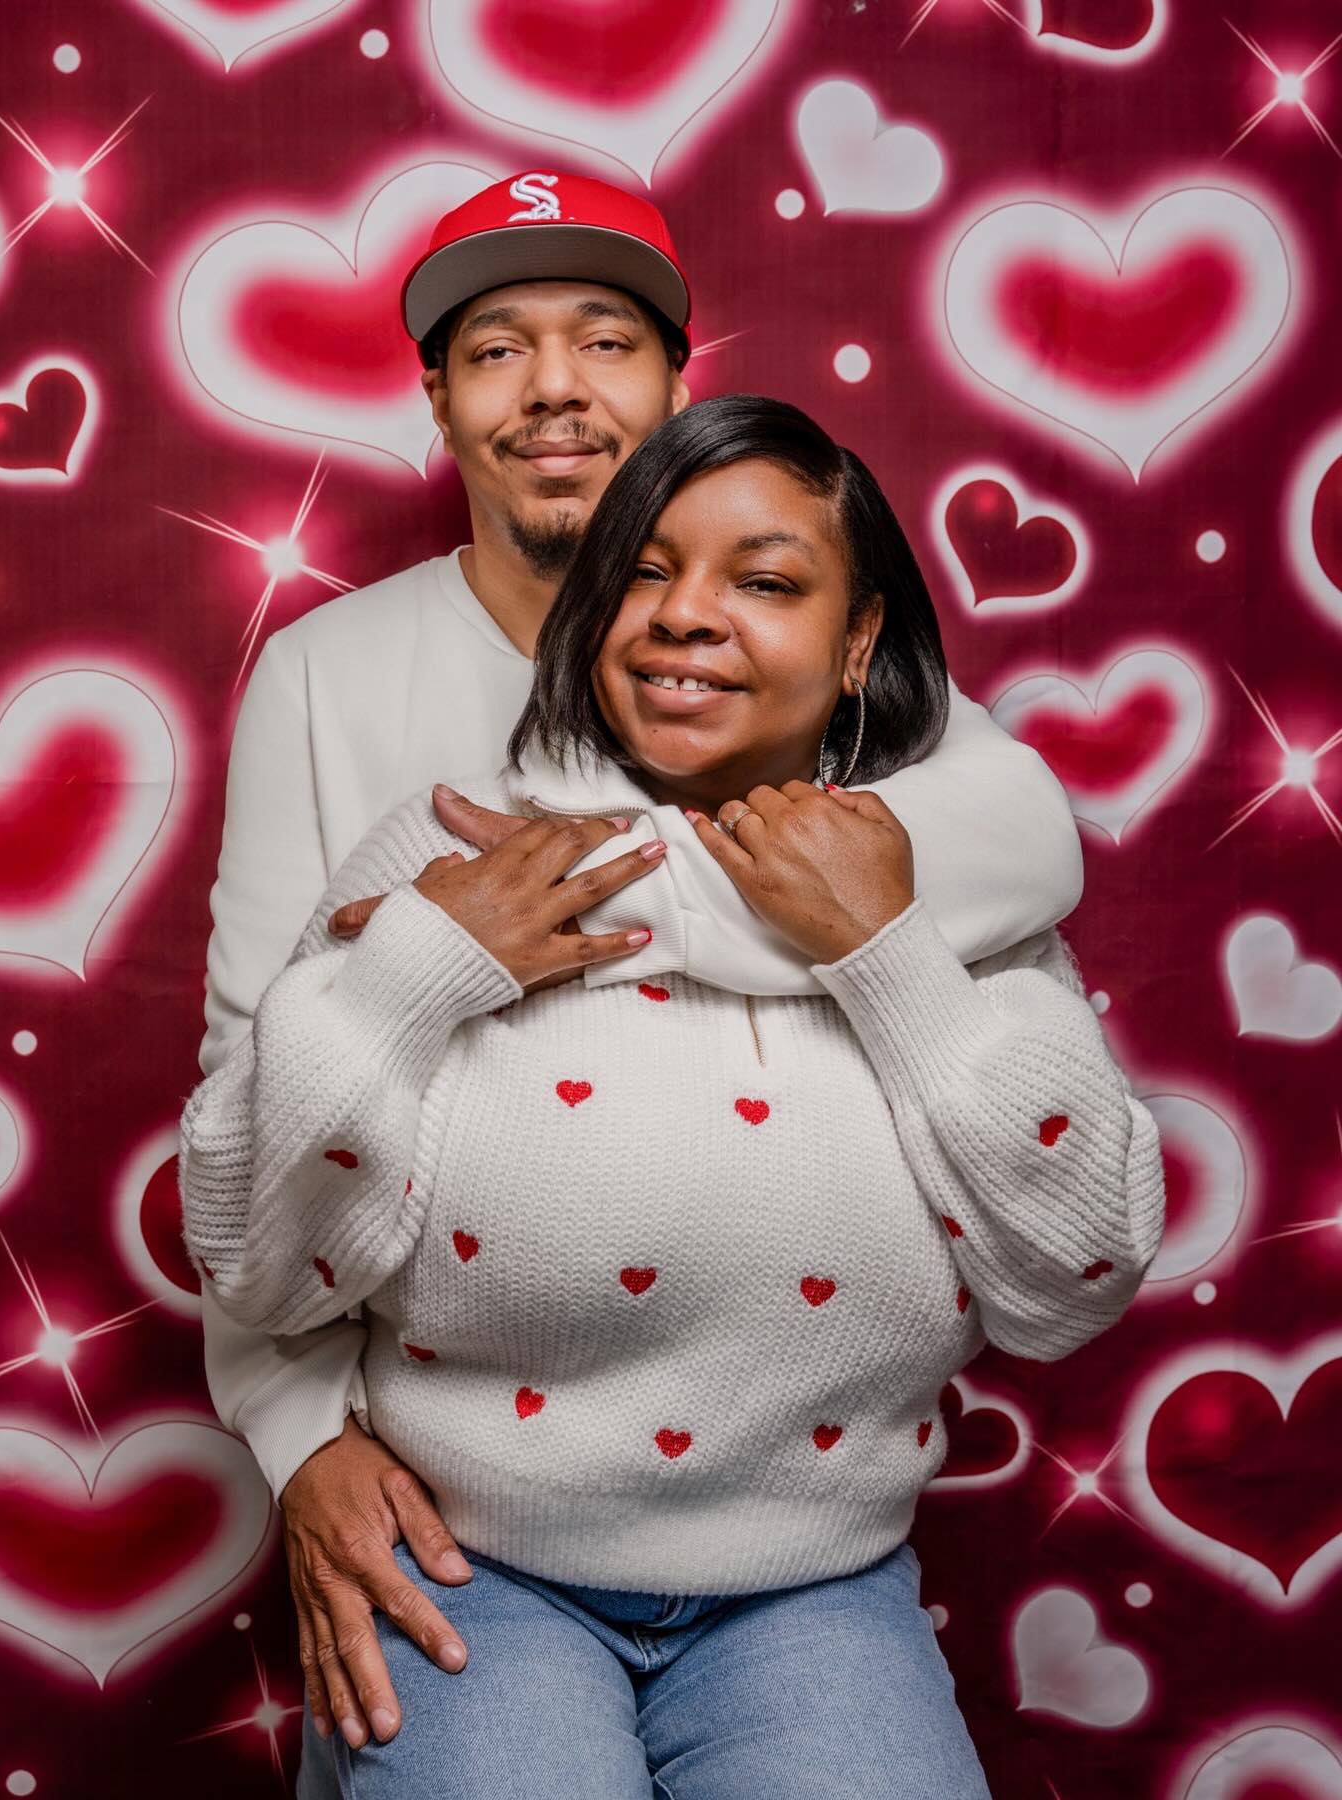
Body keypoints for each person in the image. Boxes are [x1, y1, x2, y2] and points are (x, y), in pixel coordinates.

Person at [195, 170, 1088, 1758]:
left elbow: (1010, 845)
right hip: (461, 1481)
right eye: (496, 350)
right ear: (439, 402)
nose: (553, 388)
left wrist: (571, 917)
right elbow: (255, 1095)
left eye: (605, 340)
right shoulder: (328, 677)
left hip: (793, 1520)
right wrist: (298, 1439)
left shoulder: (843, 679)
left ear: (680, 385)